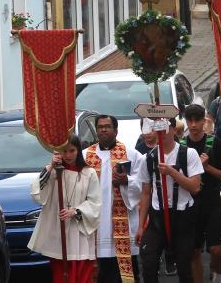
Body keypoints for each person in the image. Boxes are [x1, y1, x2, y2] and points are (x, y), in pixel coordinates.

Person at [136, 117, 204, 283]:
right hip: (157, 217)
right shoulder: (149, 158)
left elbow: (195, 187)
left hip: (182, 216)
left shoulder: (189, 154)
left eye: (163, 129)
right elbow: (145, 193)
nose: (160, 134)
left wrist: (172, 172)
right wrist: (140, 225)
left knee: (184, 267)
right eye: (156, 130)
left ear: (173, 129)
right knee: (149, 262)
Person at [29, 135, 102, 283]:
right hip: (58, 233)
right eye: (64, 151)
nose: (68, 155)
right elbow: (37, 193)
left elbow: (95, 202)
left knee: (82, 272)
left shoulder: (89, 173)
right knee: (61, 275)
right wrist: (51, 166)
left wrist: (75, 211)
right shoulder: (53, 172)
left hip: (79, 231)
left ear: (78, 151)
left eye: (72, 151)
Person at [83, 116, 143, 283]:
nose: (103, 129)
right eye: (100, 127)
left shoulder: (131, 154)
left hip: (123, 223)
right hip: (97, 224)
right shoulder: (85, 155)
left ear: (115, 130)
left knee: (126, 272)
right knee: (102, 273)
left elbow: (144, 184)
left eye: (108, 126)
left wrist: (126, 181)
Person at [180, 105, 221, 283]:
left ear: (203, 121)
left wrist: (207, 168)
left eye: (197, 120)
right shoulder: (181, 146)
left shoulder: (215, 143)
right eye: (189, 121)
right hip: (190, 204)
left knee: (216, 249)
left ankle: (218, 275)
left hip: (214, 202)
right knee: (194, 251)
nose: (193, 125)